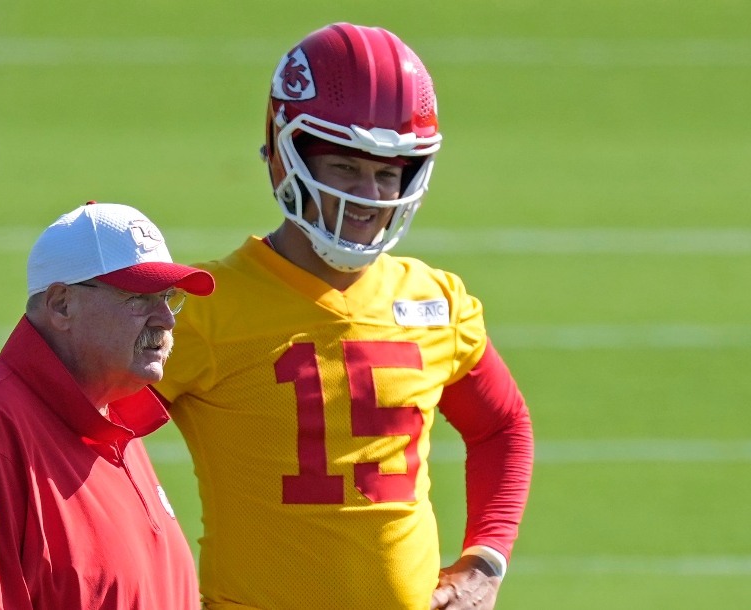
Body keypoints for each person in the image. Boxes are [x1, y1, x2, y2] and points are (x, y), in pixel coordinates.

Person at [154, 23, 534, 610]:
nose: (370, 196)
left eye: (388, 173)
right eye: (345, 168)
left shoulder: (437, 301)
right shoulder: (206, 305)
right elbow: (86, 440)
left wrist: (486, 560)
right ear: (287, 159)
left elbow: (502, 426)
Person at [0, 202, 214, 610]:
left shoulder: (113, 420)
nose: (166, 320)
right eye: (140, 298)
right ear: (61, 305)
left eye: (167, 297)